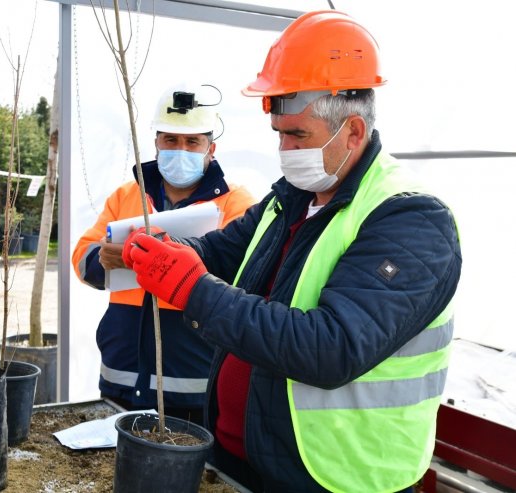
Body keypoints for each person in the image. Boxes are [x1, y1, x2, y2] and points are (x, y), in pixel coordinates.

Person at [124, 11, 462, 493]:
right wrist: (165, 249)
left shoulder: (410, 221)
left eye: (297, 135)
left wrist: (193, 290)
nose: (284, 148)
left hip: (339, 476)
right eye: (279, 132)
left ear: (353, 132)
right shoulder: (294, 194)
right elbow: (222, 251)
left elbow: (332, 347)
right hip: (247, 459)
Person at [72, 83, 255, 423]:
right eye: (170, 140)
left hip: (195, 390)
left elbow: (247, 277)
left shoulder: (236, 204)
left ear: (210, 148)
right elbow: (82, 256)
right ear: (156, 142)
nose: (180, 149)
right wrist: (103, 259)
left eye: (192, 142)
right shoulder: (127, 196)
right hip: (120, 380)